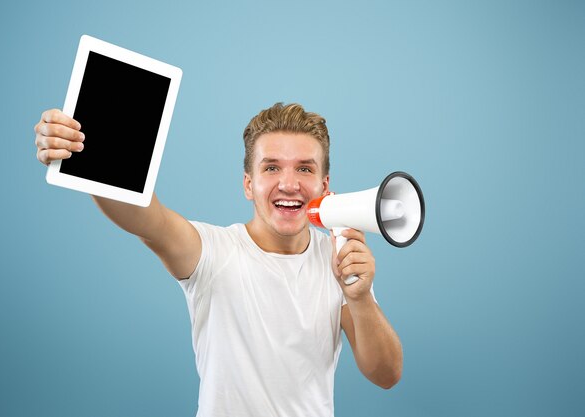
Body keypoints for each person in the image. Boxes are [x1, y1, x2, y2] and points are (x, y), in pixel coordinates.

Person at [34, 102, 403, 417]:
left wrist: (359, 298)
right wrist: (79, 152)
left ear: (324, 186)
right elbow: (146, 219)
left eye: (304, 168)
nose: (289, 184)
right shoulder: (213, 252)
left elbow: (386, 373)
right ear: (248, 184)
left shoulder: (338, 261)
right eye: (271, 167)